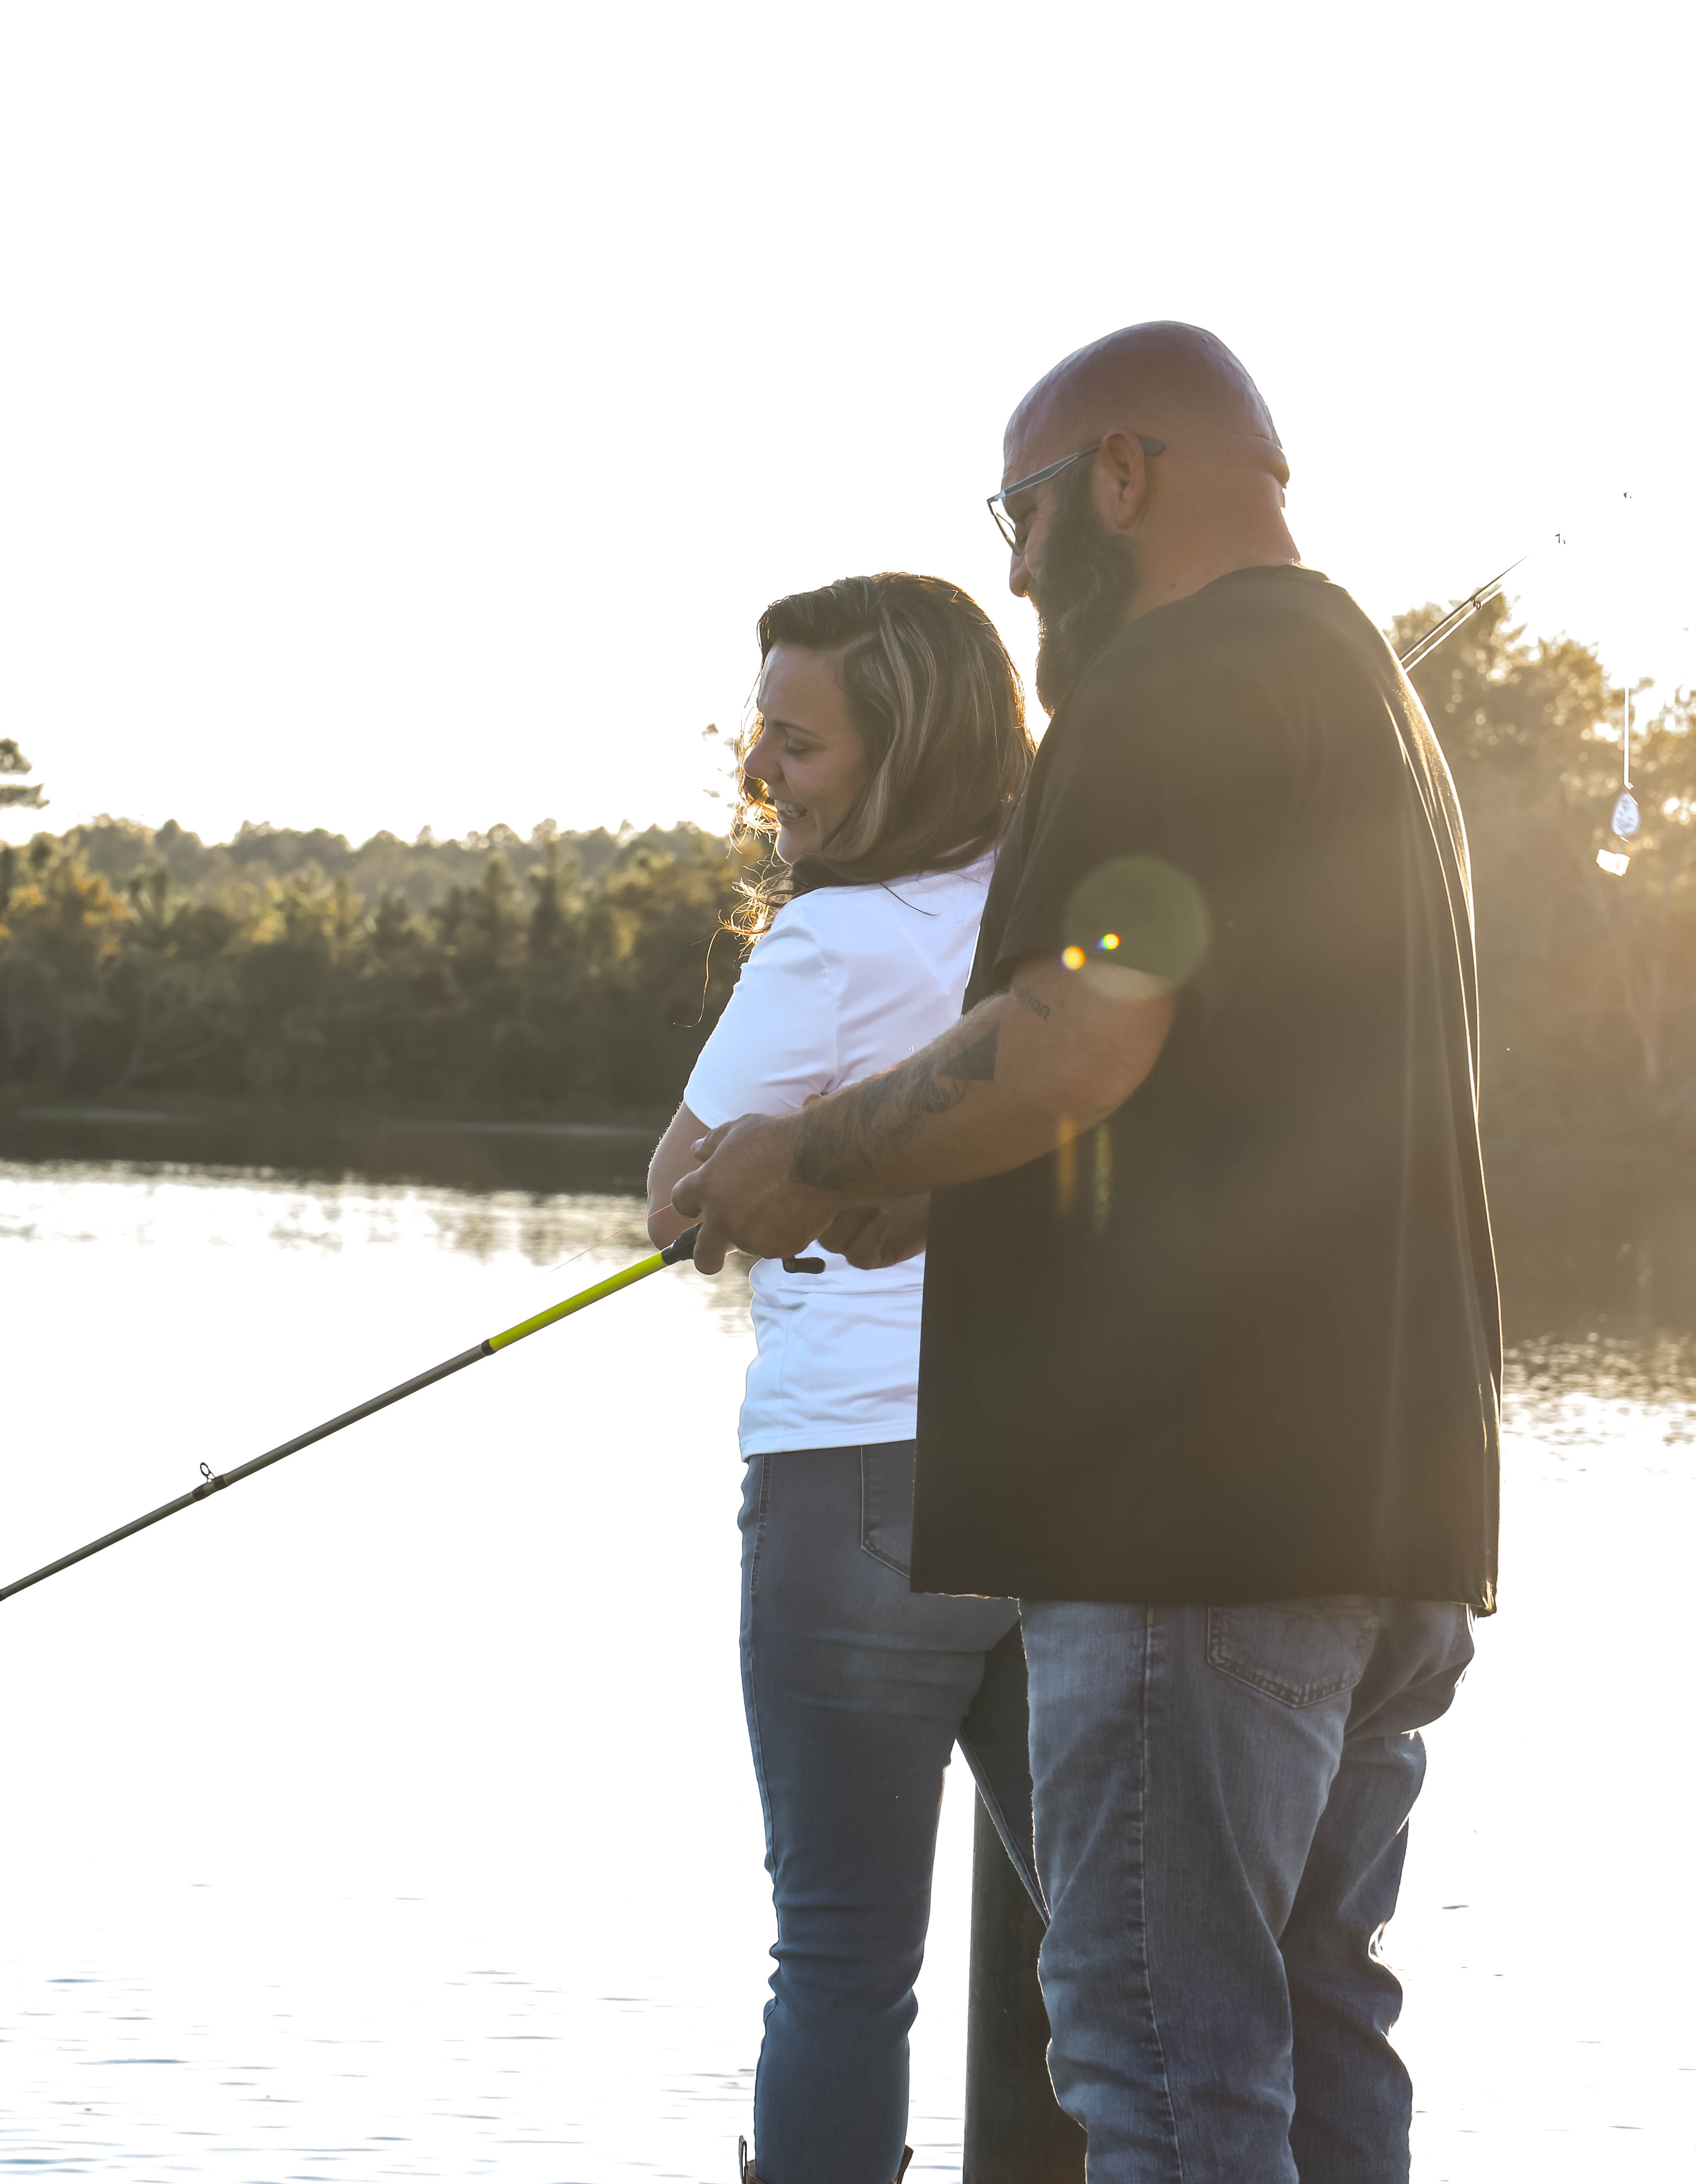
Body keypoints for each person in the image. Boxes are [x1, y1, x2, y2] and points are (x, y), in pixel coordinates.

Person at [671, 323, 1501, 2184]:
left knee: (1153, 2064)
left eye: (1024, 516)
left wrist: (807, 1152)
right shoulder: (1361, 693)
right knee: (1302, 2021)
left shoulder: (1169, 683)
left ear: (1122, 474)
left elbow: (1075, 1036)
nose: (1019, 568)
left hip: (1187, 1528)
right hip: (1384, 1511)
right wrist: (927, 1184)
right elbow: (1206, 1094)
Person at [643, 572, 1038, 2184]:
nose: (760, 775)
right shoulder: (1050, 928)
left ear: (906, 754)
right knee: (1092, 1955)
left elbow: (679, 1192)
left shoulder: (823, 942)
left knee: (839, 1963)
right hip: (1053, 1491)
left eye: (794, 745)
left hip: (847, 1492)